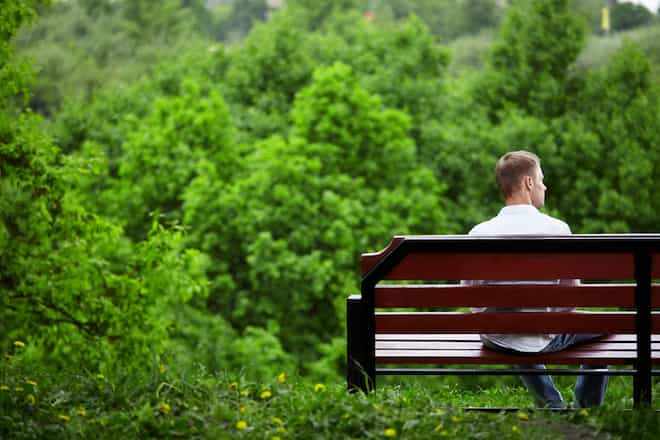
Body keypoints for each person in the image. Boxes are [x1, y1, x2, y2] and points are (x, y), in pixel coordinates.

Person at [468, 150, 607, 409]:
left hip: (497, 335)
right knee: (607, 326)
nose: (545, 185)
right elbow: (570, 300)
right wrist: (544, 318)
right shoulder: (558, 230)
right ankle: (586, 408)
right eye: (541, 179)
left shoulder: (479, 233)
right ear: (529, 183)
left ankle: (552, 404)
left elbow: (471, 298)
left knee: (520, 329)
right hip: (542, 334)